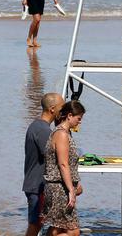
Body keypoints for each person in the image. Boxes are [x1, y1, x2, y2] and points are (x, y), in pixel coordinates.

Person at [43, 100, 86, 236]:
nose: (80, 122)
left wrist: (75, 184)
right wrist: (71, 190)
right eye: (79, 118)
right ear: (69, 116)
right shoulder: (61, 134)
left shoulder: (65, 133)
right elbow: (63, 164)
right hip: (59, 188)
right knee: (73, 231)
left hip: (60, 187)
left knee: (57, 229)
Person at [23, 92, 64, 236]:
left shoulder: (38, 126)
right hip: (37, 184)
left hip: (35, 183)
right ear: (52, 109)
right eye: (61, 108)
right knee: (35, 224)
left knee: (41, 223)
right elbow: (54, 155)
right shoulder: (42, 129)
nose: (63, 111)